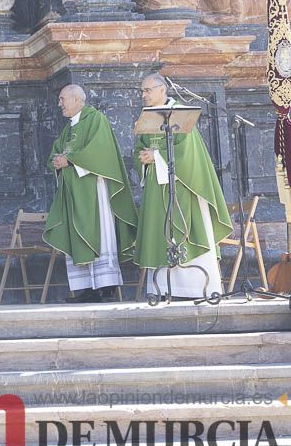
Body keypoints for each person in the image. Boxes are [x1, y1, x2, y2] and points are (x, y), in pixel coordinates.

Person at [134, 73, 231, 299]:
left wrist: (156, 156)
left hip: (182, 186)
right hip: (157, 187)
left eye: (147, 90)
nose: (143, 95)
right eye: (142, 91)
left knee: (185, 231)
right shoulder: (147, 116)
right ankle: (166, 288)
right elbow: (140, 146)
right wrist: (144, 156)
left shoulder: (181, 113)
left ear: (162, 89)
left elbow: (186, 153)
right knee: (161, 234)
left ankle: (196, 288)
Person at [43, 84, 137, 303]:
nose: (60, 104)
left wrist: (71, 161)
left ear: (77, 99)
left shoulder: (96, 120)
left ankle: (106, 287)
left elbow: (100, 153)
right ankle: (86, 287)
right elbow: (58, 150)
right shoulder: (69, 129)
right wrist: (57, 161)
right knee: (77, 235)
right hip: (74, 192)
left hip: (94, 191)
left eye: (62, 99)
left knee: (100, 232)